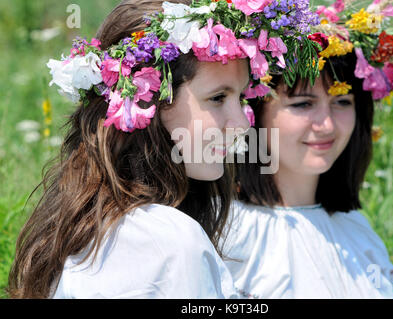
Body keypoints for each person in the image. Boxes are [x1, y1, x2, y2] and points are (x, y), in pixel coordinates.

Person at [6, 0, 274, 299]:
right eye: (217, 98)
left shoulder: (94, 228)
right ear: (147, 102)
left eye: (239, 98)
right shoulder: (167, 241)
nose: (241, 123)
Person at [219, 0, 393, 298]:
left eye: (342, 102)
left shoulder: (356, 229)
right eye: (303, 104)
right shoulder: (226, 233)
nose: (327, 125)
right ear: (251, 113)